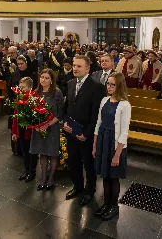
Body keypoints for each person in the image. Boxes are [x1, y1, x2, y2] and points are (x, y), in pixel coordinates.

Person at [63, 55, 105, 206]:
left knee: (89, 164)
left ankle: (90, 190)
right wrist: (65, 122)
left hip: (86, 134)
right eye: (74, 65)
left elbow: (96, 114)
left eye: (79, 66)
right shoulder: (70, 83)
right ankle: (78, 186)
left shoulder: (97, 86)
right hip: (72, 131)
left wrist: (86, 133)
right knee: (73, 161)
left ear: (88, 68)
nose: (75, 68)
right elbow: (67, 107)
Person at [92, 72, 131, 221]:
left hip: (114, 145)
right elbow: (98, 124)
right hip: (102, 141)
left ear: (119, 86)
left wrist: (117, 155)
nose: (109, 86)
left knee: (113, 178)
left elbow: (124, 132)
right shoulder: (104, 100)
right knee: (105, 175)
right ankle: (106, 203)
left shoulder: (125, 105)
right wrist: (95, 145)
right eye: (108, 84)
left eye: (112, 84)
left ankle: (114, 206)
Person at [30, 69, 64, 191]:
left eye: (47, 78)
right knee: (42, 153)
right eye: (42, 77)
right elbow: (32, 112)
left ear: (52, 80)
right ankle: (43, 177)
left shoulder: (57, 93)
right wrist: (36, 124)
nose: (43, 80)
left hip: (51, 127)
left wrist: (47, 124)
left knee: (52, 153)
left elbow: (60, 114)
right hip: (38, 128)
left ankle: (51, 177)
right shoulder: (36, 92)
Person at [11, 77, 38, 182]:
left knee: (32, 152)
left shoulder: (34, 98)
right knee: (24, 151)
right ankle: (26, 170)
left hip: (31, 131)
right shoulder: (19, 98)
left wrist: (30, 122)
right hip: (21, 129)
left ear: (30, 87)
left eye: (23, 87)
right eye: (20, 87)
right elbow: (15, 116)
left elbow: (37, 116)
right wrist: (14, 132)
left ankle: (32, 172)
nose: (21, 89)